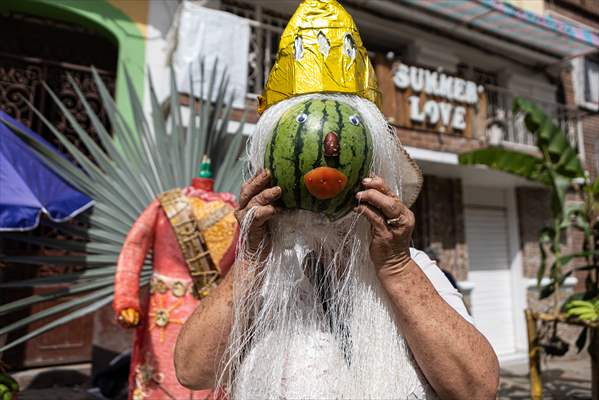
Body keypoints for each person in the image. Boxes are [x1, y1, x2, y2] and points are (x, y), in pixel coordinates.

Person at [175, 1, 499, 398]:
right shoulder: (264, 277)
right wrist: (251, 260)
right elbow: (192, 370)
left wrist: (396, 268)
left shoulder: (411, 269)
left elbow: (477, 389)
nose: (328, 150)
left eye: (342, 144)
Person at [114, 166, 238, 400]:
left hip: (213, 313)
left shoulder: (233, 210)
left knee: (205, 380)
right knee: (160, 377)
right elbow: (135, 246)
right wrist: (126, 300)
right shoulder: (168, 204)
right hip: (164, 317)